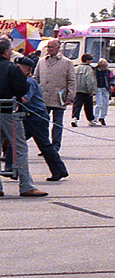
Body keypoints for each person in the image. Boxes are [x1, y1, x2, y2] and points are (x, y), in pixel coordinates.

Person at [0, 39, 45, 197]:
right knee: (20, 147)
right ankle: (26, 185)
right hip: (8, 111)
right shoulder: (11, 68)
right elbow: (21, 89)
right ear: (6, 52)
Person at [16, 55, 67, 183]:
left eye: (19, 68)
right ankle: (13, 169)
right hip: (28, 117)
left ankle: (59, 170)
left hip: (36, 118)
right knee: (15, 142)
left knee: (44, 145)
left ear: (26, 69)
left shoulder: (29, 82)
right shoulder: (24, 81)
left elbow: (25, 99)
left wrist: (11, 97)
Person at [35, 38, 75, 152]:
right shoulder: (41, 61)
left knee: (57, 123)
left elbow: (72, 80)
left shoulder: (67, 62)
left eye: (51, 47)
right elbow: (35, 78)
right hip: (43, 98)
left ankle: (55, 147)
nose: (49, 49)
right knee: (42, 123)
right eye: (48, 47)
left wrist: (70, 96)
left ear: (58, 48)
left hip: (59, 98)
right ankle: (44, 146)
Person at [71, 54, 97, 127]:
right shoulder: (88, 69)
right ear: (88, 60)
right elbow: (90, 80)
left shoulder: (76, 68)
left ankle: (74, 118)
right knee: (88, 106)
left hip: (77, 90)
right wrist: (91, 90)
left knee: (77, 105)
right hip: (86, 90)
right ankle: (91, 119)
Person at [94, 58, 112, 127]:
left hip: (105, 88)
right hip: (98, 88)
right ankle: (96, 117)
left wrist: (111, 85)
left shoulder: (108, 71)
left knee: (106, 103)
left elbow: (112, 78)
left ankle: (102, 117)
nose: (104, 68)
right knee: (99, 103)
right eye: (103, 67)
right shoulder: (95, 71)